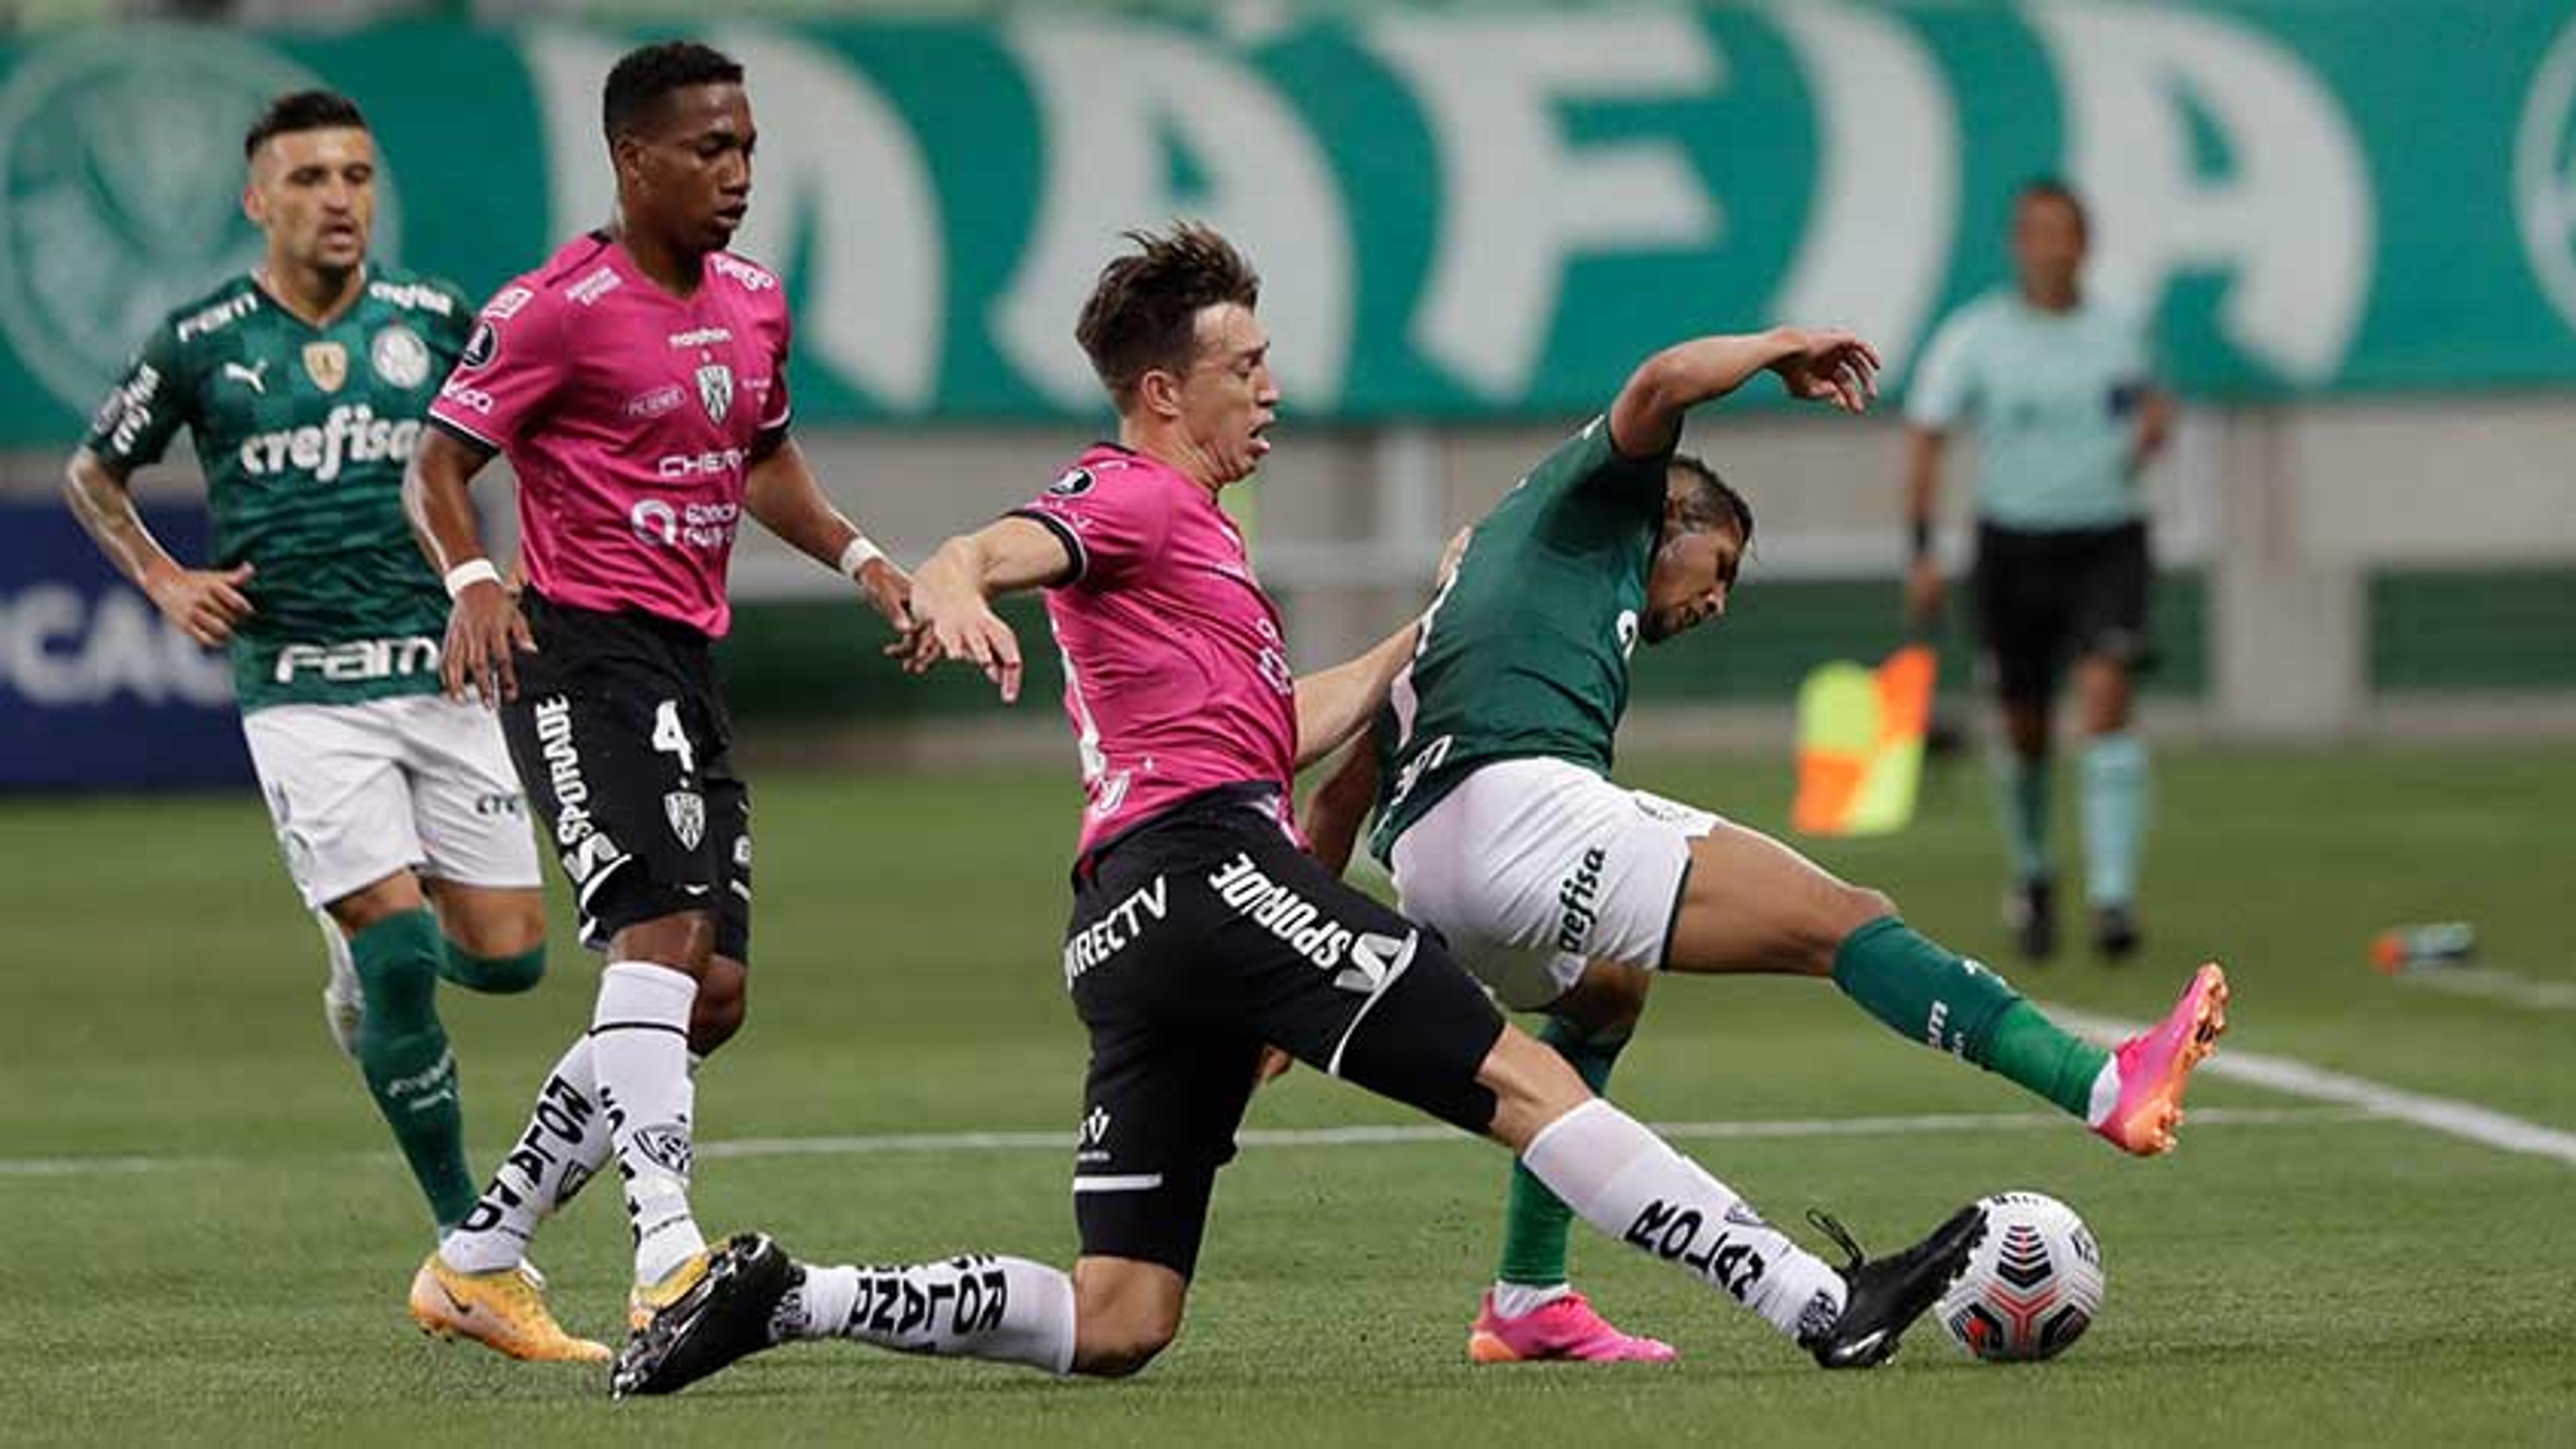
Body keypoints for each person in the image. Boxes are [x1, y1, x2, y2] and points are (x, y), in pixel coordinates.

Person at [610, 223, 1988, 1400]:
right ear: (1165, 391)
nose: (1270, 388)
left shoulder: (1202, 539)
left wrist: (1424, 630)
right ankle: (1821, 1299)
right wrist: (959, 577)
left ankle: (795, 1295)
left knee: (1122, 1317)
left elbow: (1277, 729)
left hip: (1125, 928)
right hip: (1210, 872)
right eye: (1245, 368)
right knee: (1529, 1075)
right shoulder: (1135, 489)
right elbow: (1006, 542)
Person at [1291, 326, 2227, 1365]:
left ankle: (1527, 1299)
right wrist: (1782, 349)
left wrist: (1284, 968)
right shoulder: (1594, 499)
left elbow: (1335, 805)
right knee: (1847, 919)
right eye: (1721, 563)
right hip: (1521, 811)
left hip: (1433, 866)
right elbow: (1657, 379)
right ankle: (2104, 1085)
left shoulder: (1469, 604)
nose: (1719, 598)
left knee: (1608, 992)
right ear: (1669, 516)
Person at [400, 40, 913, 1362]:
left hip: (687, 662)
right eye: (709, 150)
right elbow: (438, 463)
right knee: (659, 932)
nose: (738, 173)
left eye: (746, 146)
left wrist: (860, 557)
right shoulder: (555, 306)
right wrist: (469, 576)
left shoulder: (751, 300)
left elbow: (764, 456)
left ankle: (479, 1256)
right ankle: (666, 1254)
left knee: (715, 990)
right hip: (576, 653)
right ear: (634, 159)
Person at [64, 89, 551, 1259]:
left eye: (355, 176)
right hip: (299, 681)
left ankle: (360, 946)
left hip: (442, 670)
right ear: (257, 201)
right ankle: (470, 1237)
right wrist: (165, 581)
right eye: (310, 179)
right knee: (398, 958)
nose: (339, 198)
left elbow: (542, 439)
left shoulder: (435, 316)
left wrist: (514, 568)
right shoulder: (201, 339)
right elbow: (95, 473)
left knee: (513, 958)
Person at [1903, 179, 2176, 962]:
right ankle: (2033, 873)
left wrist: (2155, 430)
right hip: (2012, 548)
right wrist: (1922, 550)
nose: (2050, 247)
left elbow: (2151, 408)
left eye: (2064, 232)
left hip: (2109, 540)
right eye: (2035, 232)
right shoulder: (1976, 338)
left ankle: (2114, 898)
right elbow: (1927, 436)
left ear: (2084, 244)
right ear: (2018, 245)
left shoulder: (2123, 331)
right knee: (2024, 725)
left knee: (2106, 695)